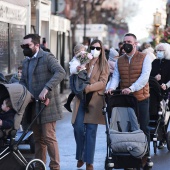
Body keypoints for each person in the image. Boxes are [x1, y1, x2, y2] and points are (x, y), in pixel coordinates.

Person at [19, 33, 66, 170]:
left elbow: (60, 72)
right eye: (23, 46)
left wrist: (46, 88)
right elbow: (23, 82)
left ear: (37, 45)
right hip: (33, 105)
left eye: (27, 45)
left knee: (48, 137)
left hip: (47, 105)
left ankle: (55, 167)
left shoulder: (47, 57)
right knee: (38, 139)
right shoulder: (26, 61)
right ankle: (40, 166)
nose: (25, 48)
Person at [106, 33, 151, 148]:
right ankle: (129, 152)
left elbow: (144, 77)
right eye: (124, 42)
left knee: (143, 127)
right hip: (126, 99)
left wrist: (132, 88)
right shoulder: (120, 60)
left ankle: (145, 154)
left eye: (129, 42)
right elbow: (116, 77)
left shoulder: (144, 57)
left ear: (135, 44)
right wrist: (111, 87)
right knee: (127, 126)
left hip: (141, 98)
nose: (126, 44)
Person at [72, 39, 109, 170]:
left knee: (91, 131)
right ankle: (81, 156)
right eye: (93, 47)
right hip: (80, 99)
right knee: (78, 128)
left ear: (102, 50)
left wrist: (88, 88)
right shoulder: (84, 59)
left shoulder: (104, 64)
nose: (95, 50)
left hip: (94, 100)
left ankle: (89, 162)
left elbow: (103, 82)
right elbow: (74, 72)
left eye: (98, 48)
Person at [150, 43, 170, 148]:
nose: (159, 52)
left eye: (161, 50)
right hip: (154, 91)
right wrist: (154, 78)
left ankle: (163, 138)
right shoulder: (154, 62)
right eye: (158, 50)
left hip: (166, 91)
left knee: (165, 116)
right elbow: (149, 75)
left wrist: (166, 85)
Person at [64, 44, 93, 113]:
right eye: (80, 51)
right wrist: (77, 68)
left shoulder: (82, 60)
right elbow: (72, 69)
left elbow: (87, 62)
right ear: (76, 53)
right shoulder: (74, 61)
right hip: (77, 78)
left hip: (82, 77)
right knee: (77, 91)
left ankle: (85, 105)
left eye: (83, 51)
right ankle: (70, 104)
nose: (82, 53)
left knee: (77, 91)